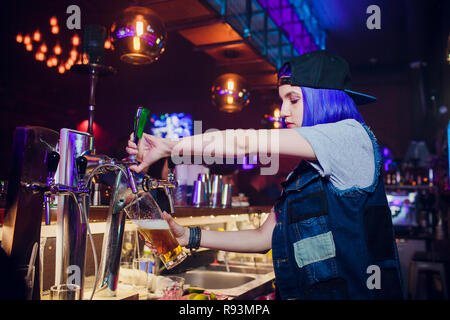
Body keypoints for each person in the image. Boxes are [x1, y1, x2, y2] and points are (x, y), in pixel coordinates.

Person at [126, 50, 404, 300]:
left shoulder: (351, 137)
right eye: (282, 100)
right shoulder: (305, 173)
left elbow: (244, 143)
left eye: (293, 99)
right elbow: (262, 238)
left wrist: (170, 147)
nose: (283, 111)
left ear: (324, 98)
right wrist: (189, 236)